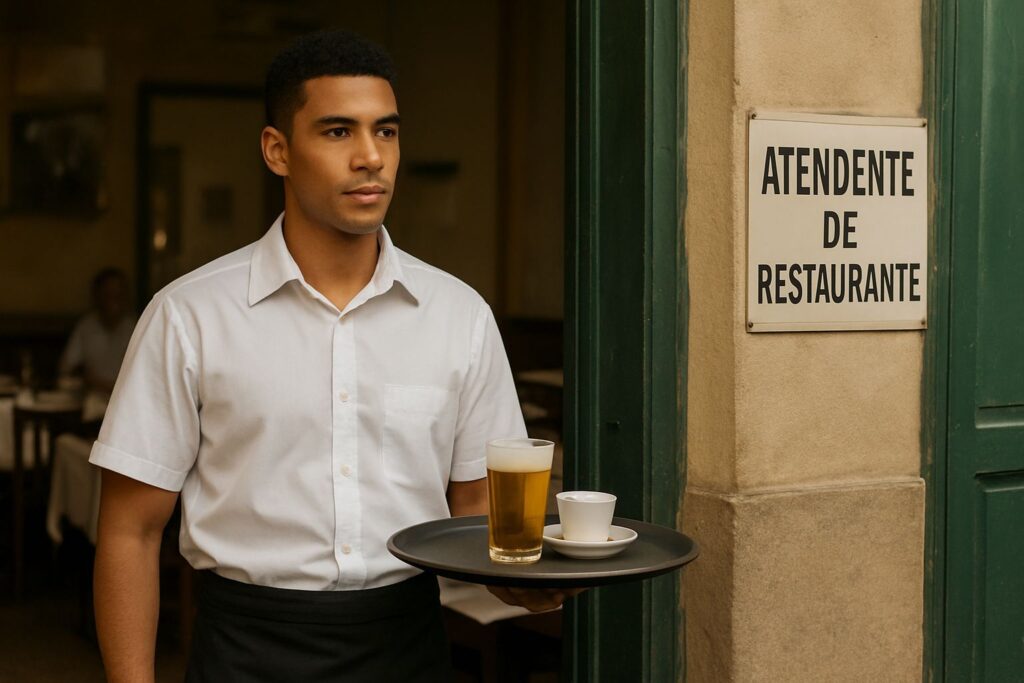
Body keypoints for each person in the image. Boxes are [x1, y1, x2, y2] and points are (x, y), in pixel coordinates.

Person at [90, 30, 572, 683]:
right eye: (339, 132)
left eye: (388, 132)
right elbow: (130, 532)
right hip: (243, 649)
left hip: (408, 646)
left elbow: (476, 519)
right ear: (277, 150)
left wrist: (531, 581)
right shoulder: (189, 315)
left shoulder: (460, 317)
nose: (371, 157)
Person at [59, 267, 136, 422]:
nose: (113, 301)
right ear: (97, 297)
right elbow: (65, 369)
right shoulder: (86, 327)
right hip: (92, 405)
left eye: (118, 295)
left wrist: (101, 383)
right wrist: (84, 378)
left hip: (129, 404)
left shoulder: (135, 327)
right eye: (108, 295)